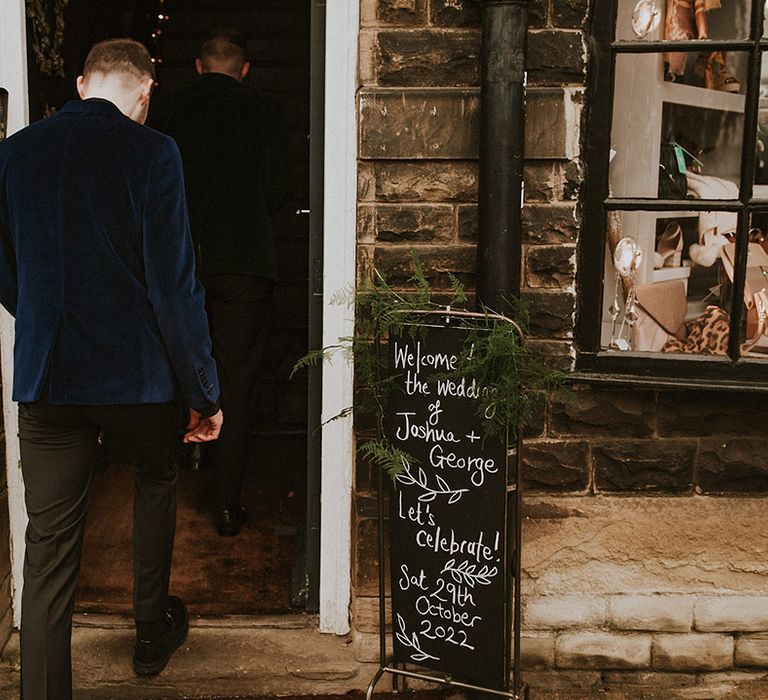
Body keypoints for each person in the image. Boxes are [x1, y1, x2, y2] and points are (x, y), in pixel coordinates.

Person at [0, 39, 223, 698]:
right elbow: (175, 287)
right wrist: (203, 392)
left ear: (79, 84)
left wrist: (41, 313)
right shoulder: (153, 151)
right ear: (145, 93)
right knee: (155, 478)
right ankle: (150, 630)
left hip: (48, 376)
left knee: (48, 551)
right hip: (136, 379)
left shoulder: (12, 155)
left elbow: (7, 267)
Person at [150, 28, 289, 536]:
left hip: (179, 260)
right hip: (245, 261)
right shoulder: (268, 111)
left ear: (198, 66)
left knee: (169, 370)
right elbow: (279, 187)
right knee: (238, 378)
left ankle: (162, 493)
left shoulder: (171, 111)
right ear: (245, 69)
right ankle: (227, 505)